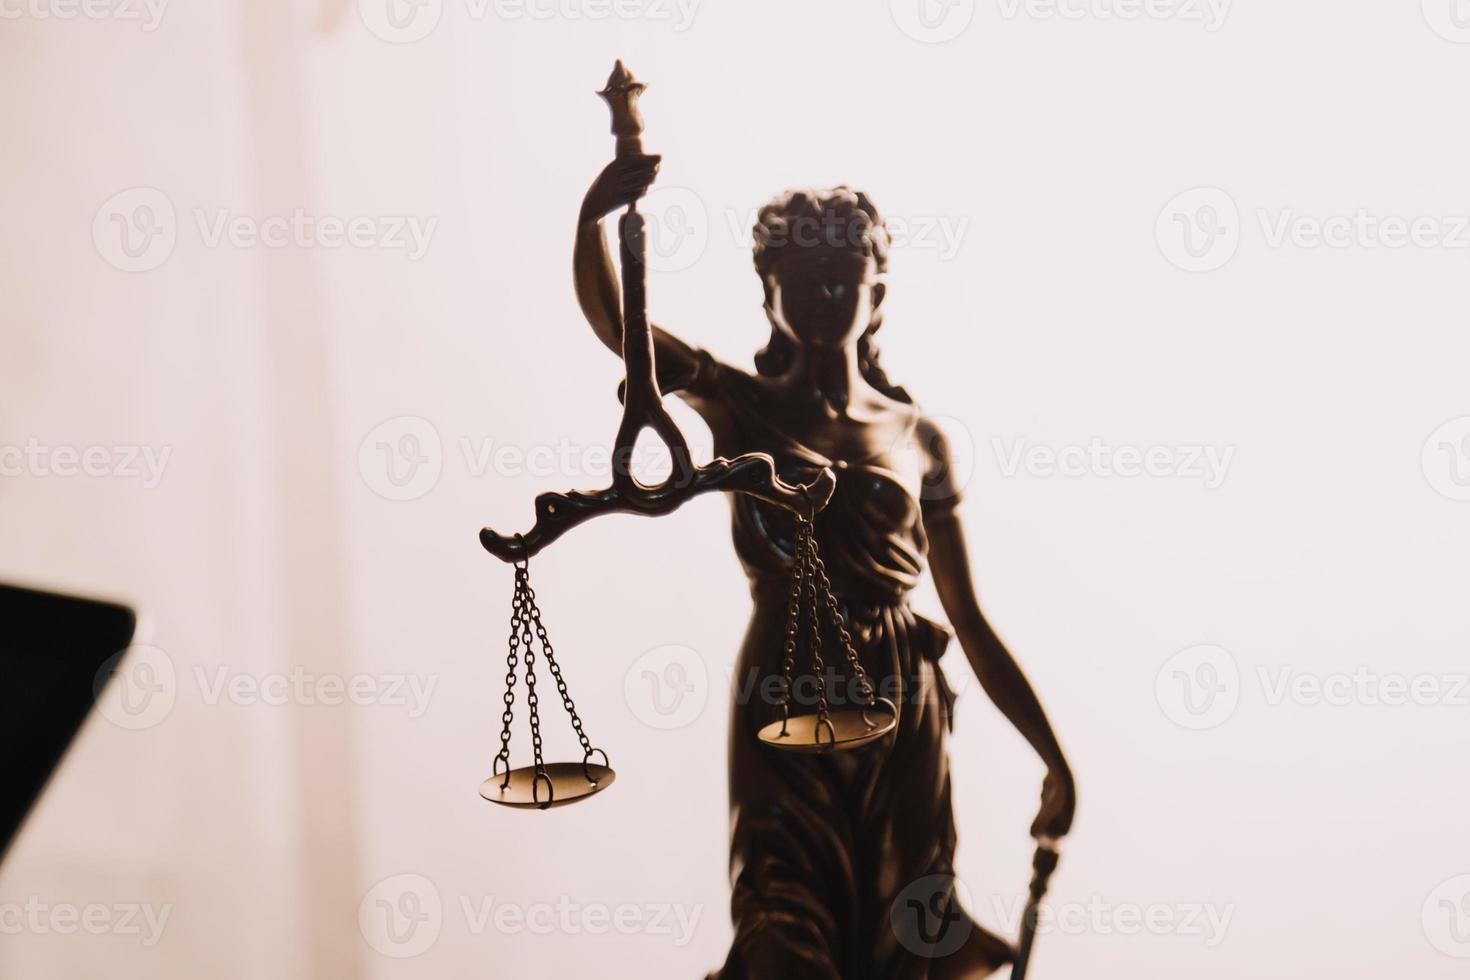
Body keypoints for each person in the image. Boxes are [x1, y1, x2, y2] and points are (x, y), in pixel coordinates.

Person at [574, 156, 1075, 980]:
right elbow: (615, 324)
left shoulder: (920, 439)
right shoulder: (740, 403)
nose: (822, 298)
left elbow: (973, 623)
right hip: (783, 693)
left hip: (901, 705)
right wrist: (598, 215)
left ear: (877, 292)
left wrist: (1049, 755)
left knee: (908, 930)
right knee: (784, 918)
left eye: (843, 280)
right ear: (766, 291)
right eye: (801, 280)